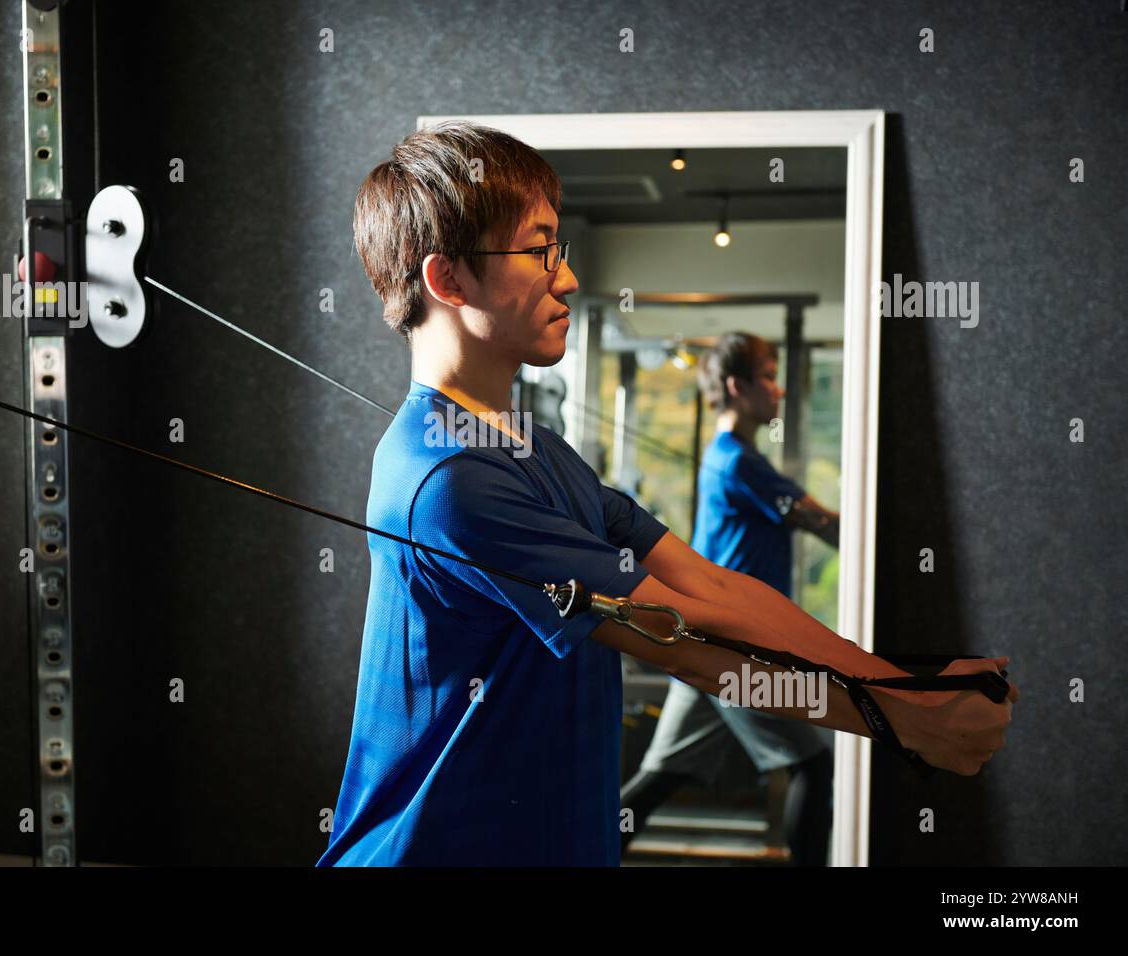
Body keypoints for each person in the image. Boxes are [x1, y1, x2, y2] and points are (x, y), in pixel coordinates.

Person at [316, 121, 1016, 867]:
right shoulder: (450, 478)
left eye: (561, 249)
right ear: (448, 279)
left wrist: (901, 682)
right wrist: (905, 718)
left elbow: (710, 585)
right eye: (538, 249)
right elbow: (686, 638)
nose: (567, 277)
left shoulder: (534, 450)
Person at [621, 333, 838, 865]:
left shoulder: (728, 459)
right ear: (738, 387)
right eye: (768, 375)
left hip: (707, 641)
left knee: (658, 778)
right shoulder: (739, 463)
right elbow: (827, 526)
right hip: (734, 647)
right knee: (812, 764)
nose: (779, 390)